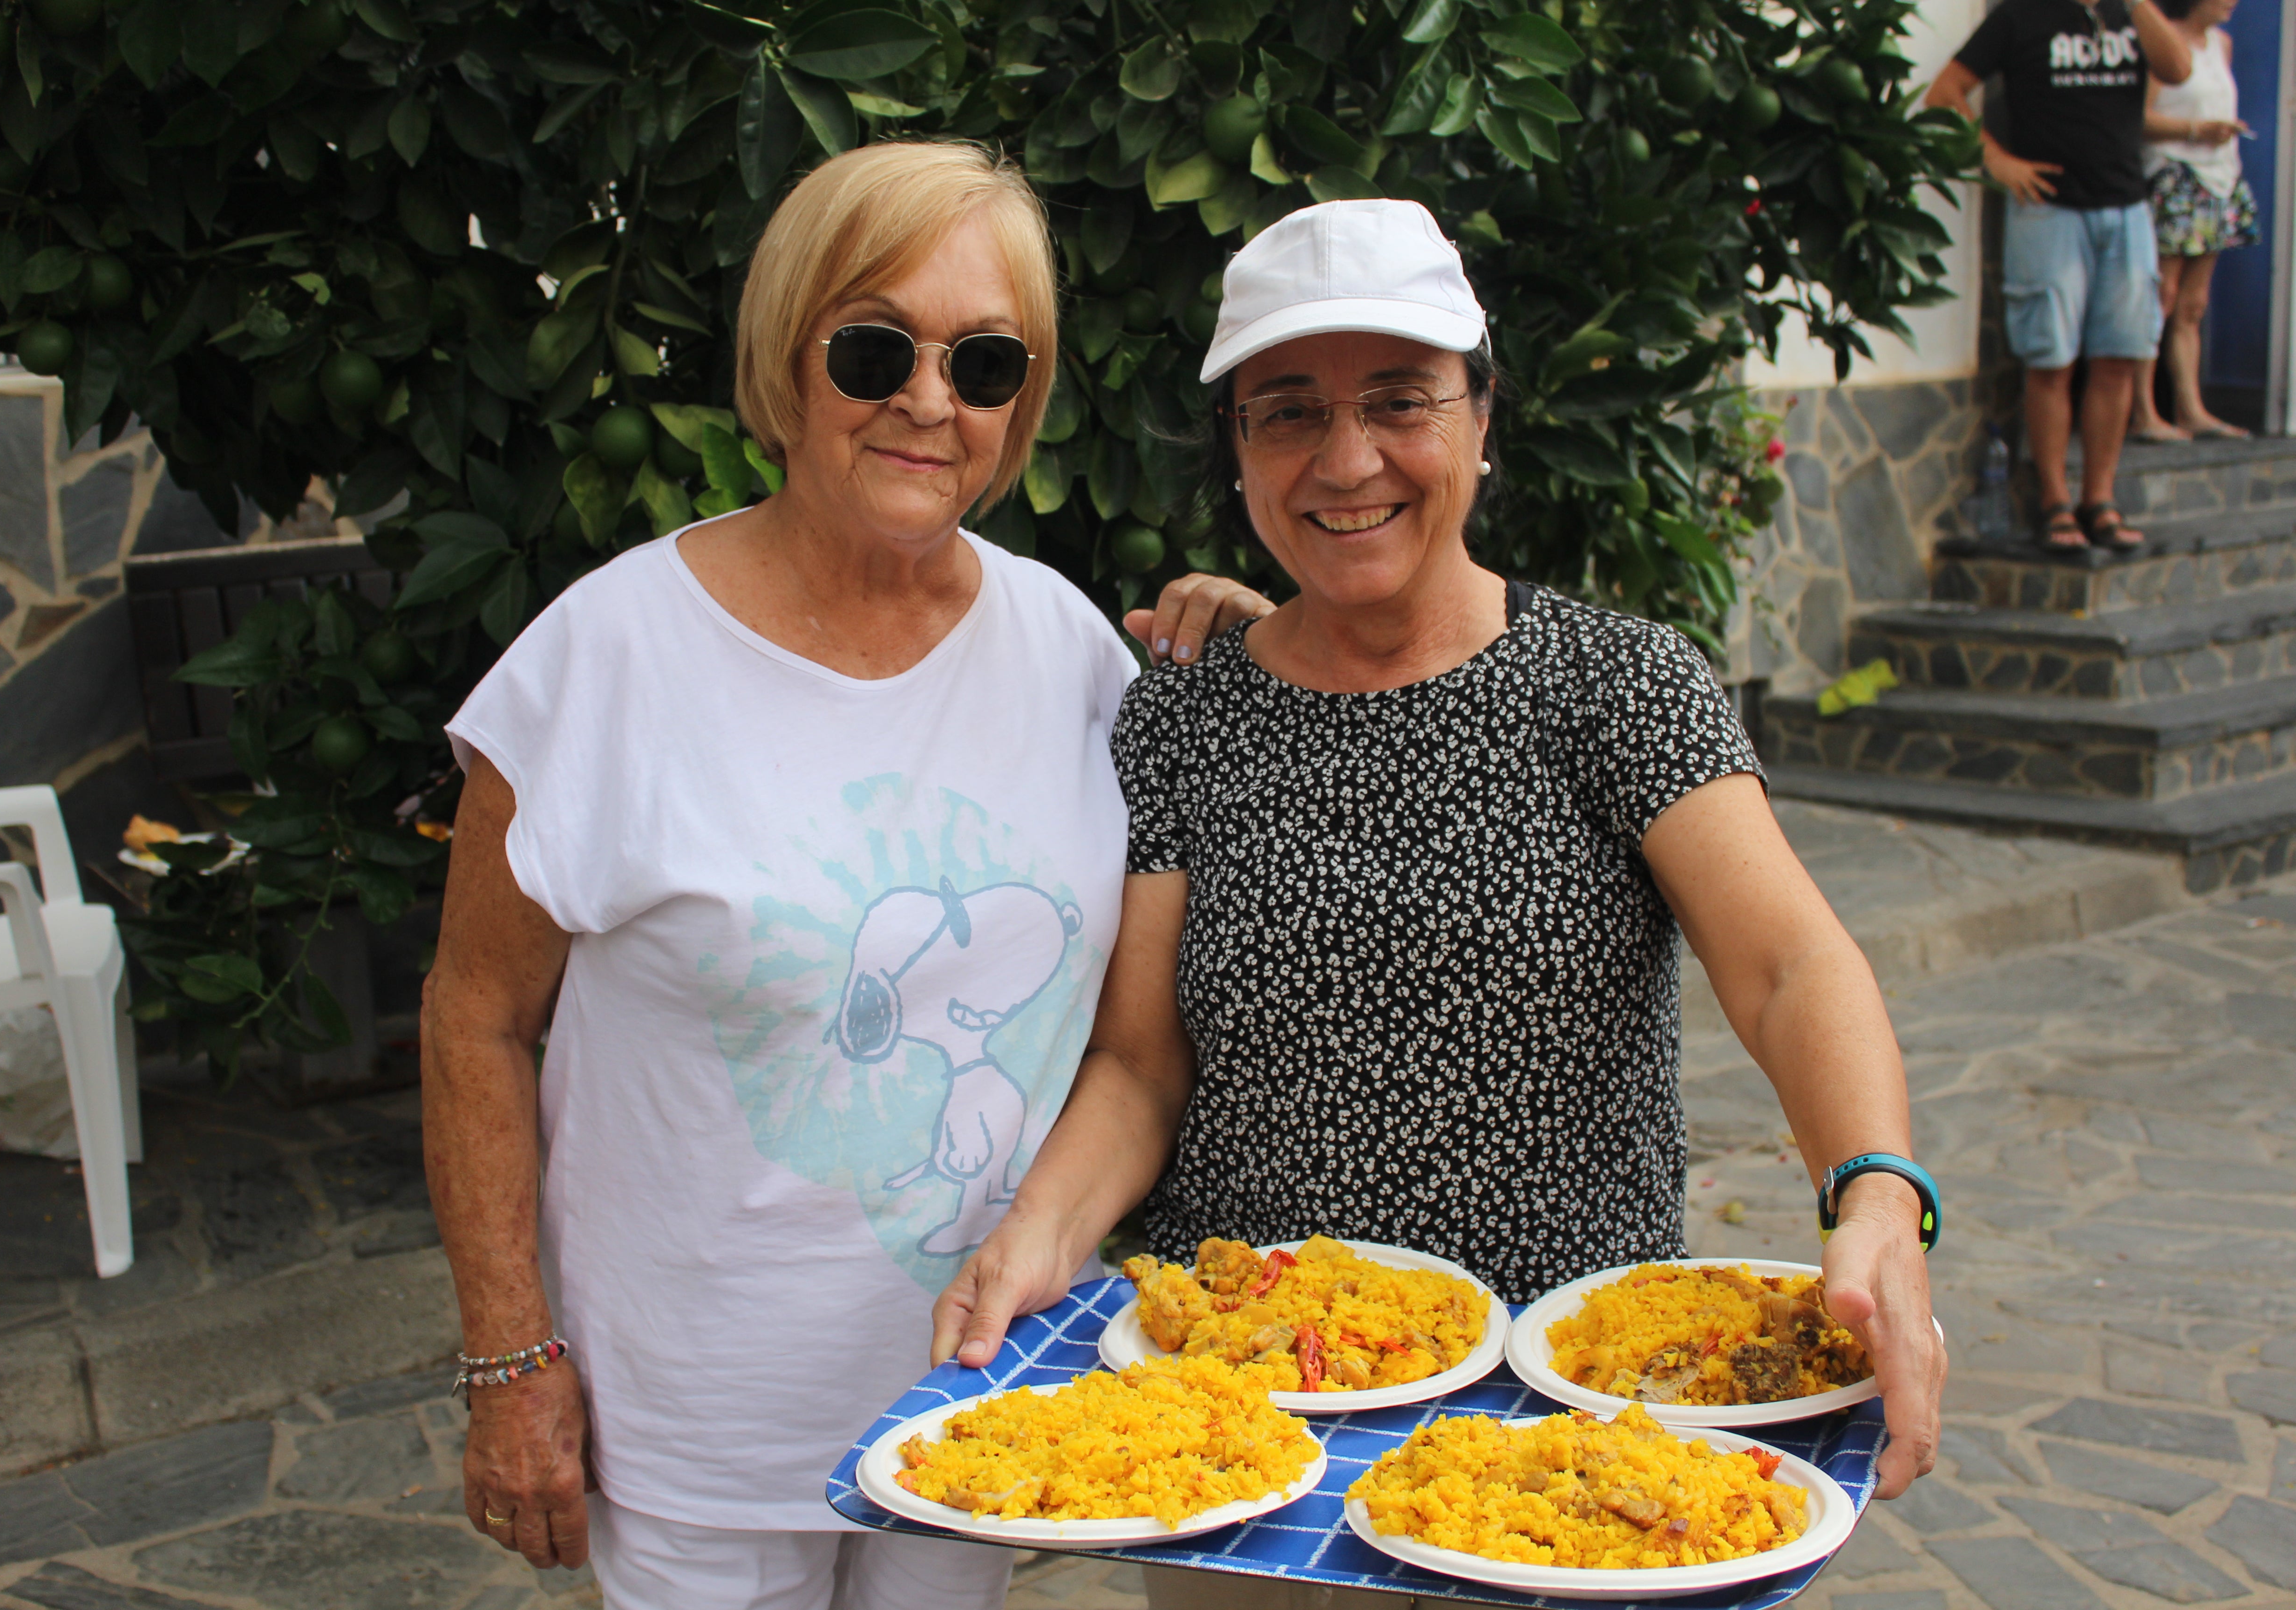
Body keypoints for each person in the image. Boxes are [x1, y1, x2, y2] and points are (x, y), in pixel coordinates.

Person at [931, 199, 1949, 1609]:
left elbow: (1786, 966)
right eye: (1289, 414)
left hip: (1567, 1449)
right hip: (1254, 1444)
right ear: (1240, 455)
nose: (1348, 461)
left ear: (1480, 419)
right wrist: (1037, 1233)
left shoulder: (1614, 686)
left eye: (1400, 402)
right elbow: (1139, 1062)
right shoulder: (1183, 726)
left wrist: (1878, 1196)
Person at [421, 140, 1263, 1610]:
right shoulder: (604, 658)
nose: (930, 401)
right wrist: (509, 1356)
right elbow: (474, 1018)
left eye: (986, 362)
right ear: (785, 356)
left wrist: (1276, 654)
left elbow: (1171, 959)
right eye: (876, 346)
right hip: (693, 1429)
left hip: (963, 1410)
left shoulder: (1072, 653)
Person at [1925, 0, 2193, 552]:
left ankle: (2100, 499)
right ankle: (2054, 502)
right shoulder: (2020, 17)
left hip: (2125, 207)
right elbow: (1945, 92)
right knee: (2050, 360)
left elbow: (2179, 68)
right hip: (2047, 210)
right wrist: (1995, 159)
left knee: (2120, 359)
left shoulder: (2133, 15)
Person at [2130, 0, 2257, 441]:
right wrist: (2194, 131)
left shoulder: (2221, 45)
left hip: (2220, 180)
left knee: (2193, 303)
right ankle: (2144, 411)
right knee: (2160, 296)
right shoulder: (2160, 41)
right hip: (2175, 177)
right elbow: (2137, 119)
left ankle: (2191, 408)